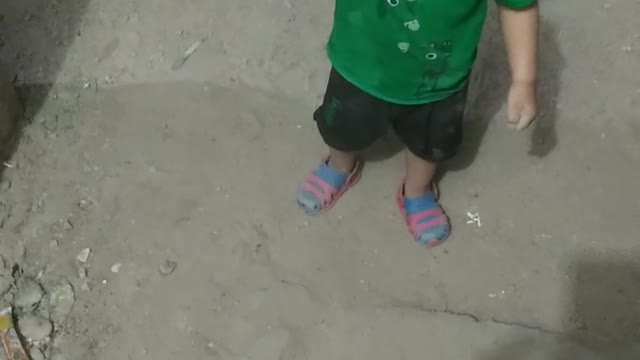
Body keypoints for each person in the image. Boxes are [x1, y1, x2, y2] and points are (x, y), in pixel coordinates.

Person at [297, 0, 538, 247]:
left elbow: (518, 6)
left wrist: (524, 79)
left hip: (438, 79)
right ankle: (339, 166)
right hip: (358, 61)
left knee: (429, 145)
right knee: (341, 129)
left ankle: (417, 190)